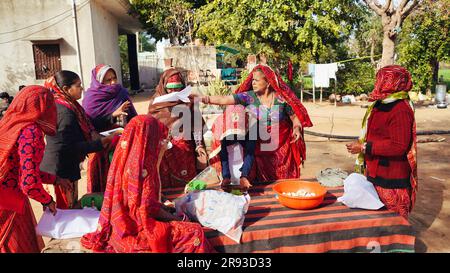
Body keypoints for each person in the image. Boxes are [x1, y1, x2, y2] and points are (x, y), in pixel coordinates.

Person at [81, 115, 213, 253]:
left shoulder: (127, 158)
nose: (160, 143)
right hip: (135, 228)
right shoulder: (142, 169)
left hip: (122, 223)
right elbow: (146, 210)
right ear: (149, 138)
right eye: (158, 139)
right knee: (195, 232)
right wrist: (180, 219)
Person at [198, 64, 313, 182]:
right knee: (262, 183)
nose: (253, 82)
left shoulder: (281, 99)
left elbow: (294, 117)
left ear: (268, 82)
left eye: (257, 80)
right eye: (252, 79)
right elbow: (223, 99)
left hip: (283, 148)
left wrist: (297, 128)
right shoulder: (248, 97)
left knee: (285, 182)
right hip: (259, 148)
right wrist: (201, 98)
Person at [0, 86, 70, 252]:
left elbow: (22, 169)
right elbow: (29, 183)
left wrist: (55, 179)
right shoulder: (31, 131)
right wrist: (48, 201)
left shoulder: (10, 124)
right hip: (9, 206)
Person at [346, 65, 418, 218]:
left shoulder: (400, 109)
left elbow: (398, 146)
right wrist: (362, 145)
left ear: (393, 82)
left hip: (392, 178)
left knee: (393, 223)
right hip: (375, 171)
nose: (378, 83)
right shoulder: (380, 103)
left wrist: (365, 147)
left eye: (383, 79)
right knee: (376, 221)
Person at [41, 71, 116, 209]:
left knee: (66, 210)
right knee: (62, 214)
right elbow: (68, 147)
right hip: (59, 171)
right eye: (78, 85)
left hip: (63, 167)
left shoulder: (70, 106)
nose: (82, 88)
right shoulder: (64, 111)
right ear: (65, 89)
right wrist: (101, 143)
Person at [148, 68, 208, 189]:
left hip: (185, 151)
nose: (174, 91)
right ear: (163, 86)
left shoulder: (188, 101)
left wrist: (199, 145)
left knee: (189, 186)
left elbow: (196, 126)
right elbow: (151, 128)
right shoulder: (156, 104)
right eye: (170, 88)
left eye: (177, 87)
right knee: (166, 184)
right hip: (164, 151)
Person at [82, 64, 138, 193]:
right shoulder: (91, 98)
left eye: (114, 78)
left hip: (121, 145)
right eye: (108, 80)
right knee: (104, 181)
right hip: (100, 147)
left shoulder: (121, 92)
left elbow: (132, 117)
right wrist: (112, 115)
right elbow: (88, 125)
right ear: (98, 81)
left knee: (122, 182)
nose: (113, 83)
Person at [212, 105, 256, 191]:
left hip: (244, 157)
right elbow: (223, 153)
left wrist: (244, 175)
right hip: (229, 157)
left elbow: (250, 152)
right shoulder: (220, 123)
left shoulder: (251, 122)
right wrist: (225, 176)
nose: (235, 136)